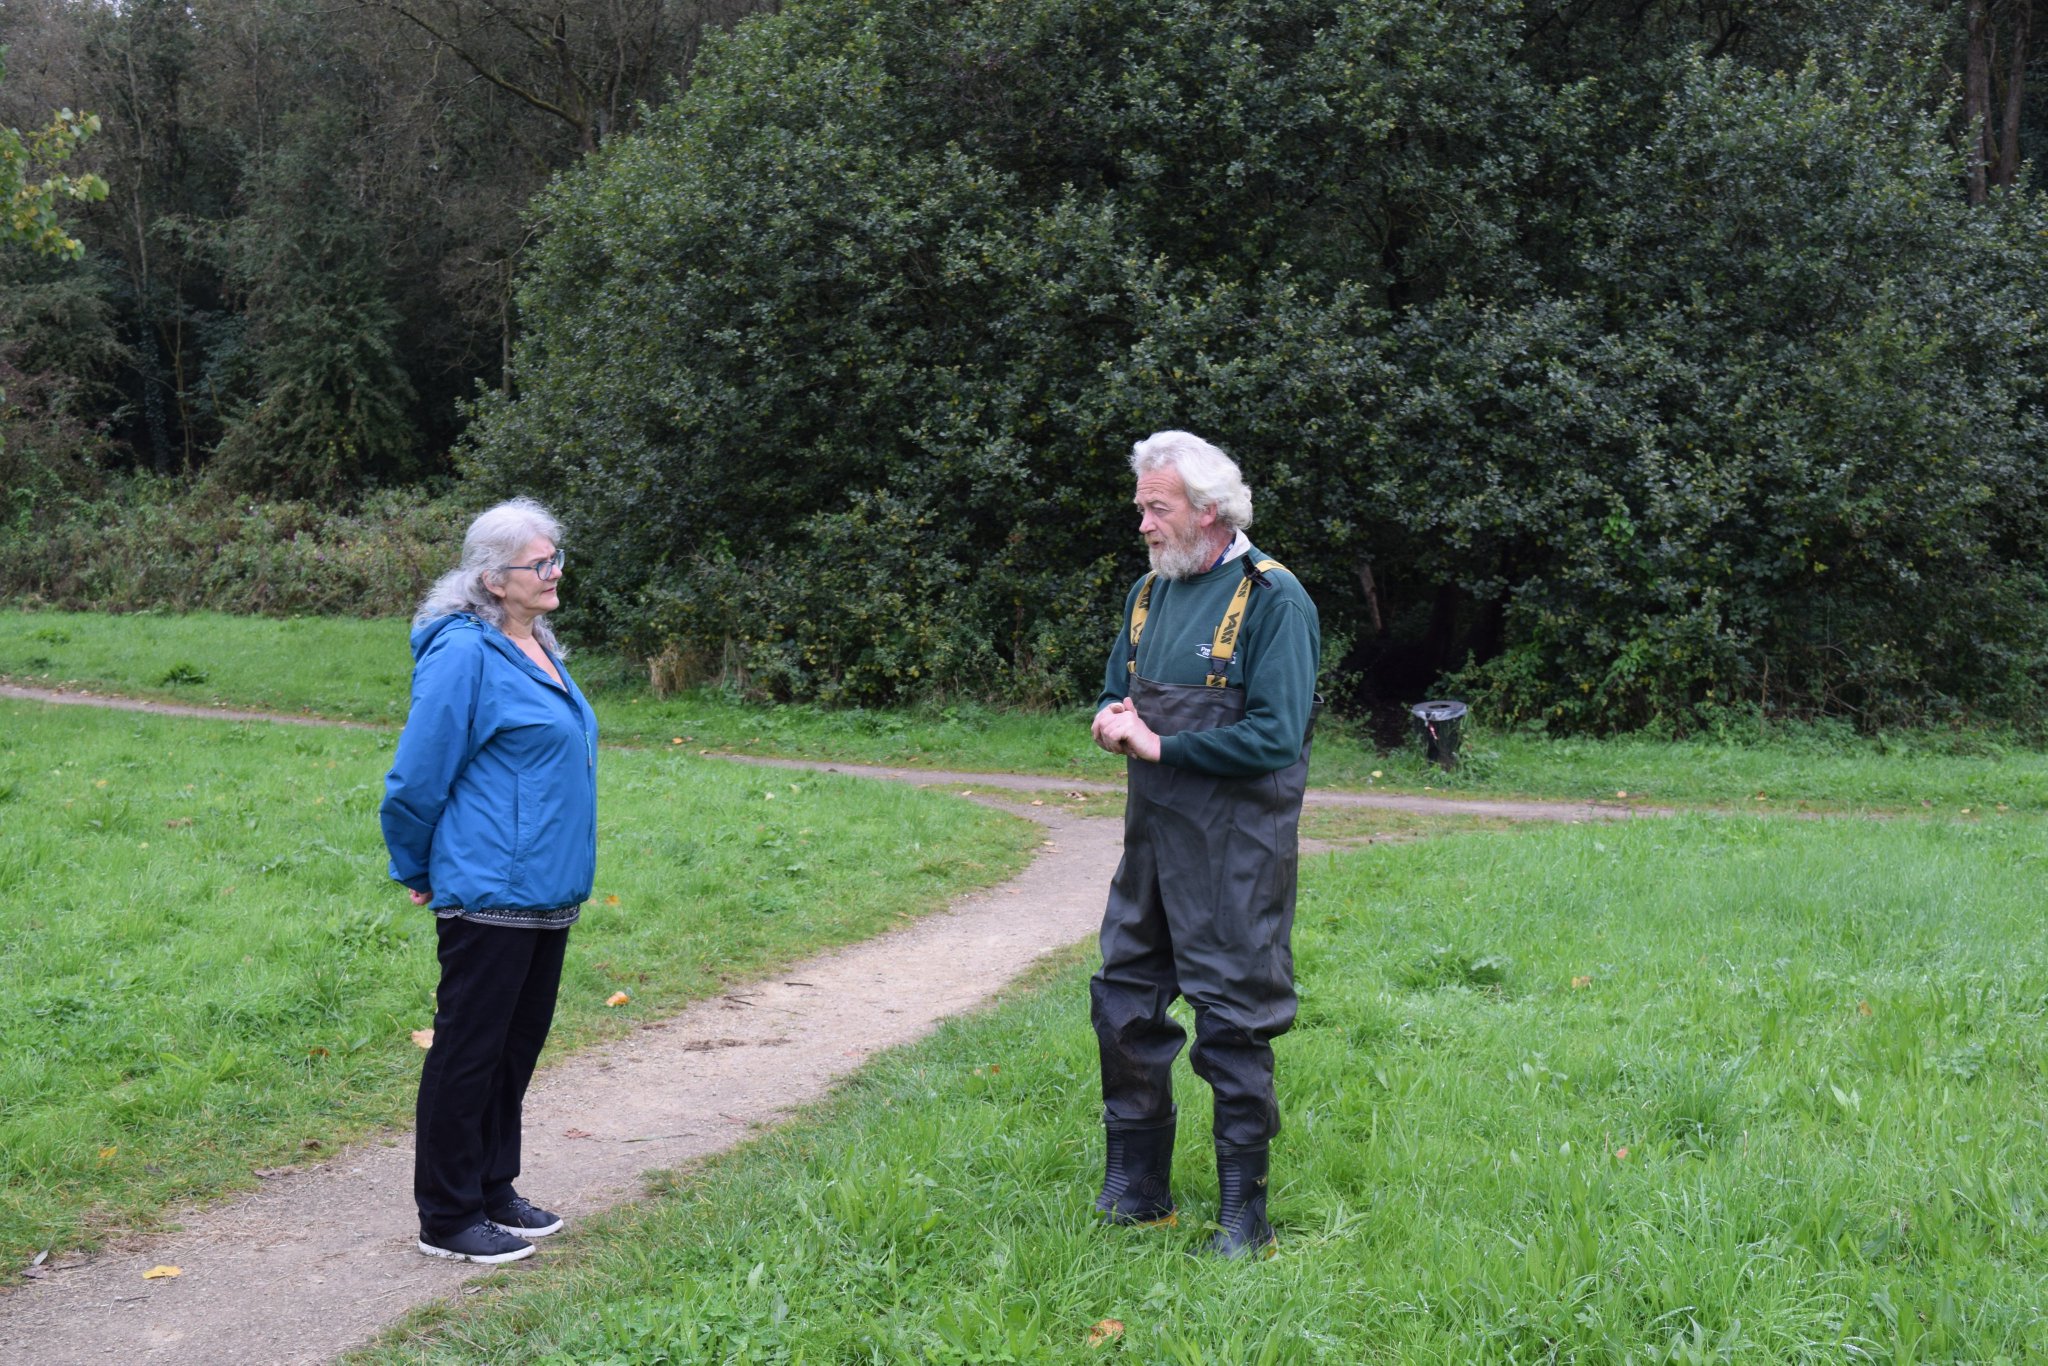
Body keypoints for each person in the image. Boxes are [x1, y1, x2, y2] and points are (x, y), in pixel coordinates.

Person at [1089, 430, 1320, 1259]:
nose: (1144, 526)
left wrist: (1164, 747)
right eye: (1142, 508)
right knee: (1122, 1002)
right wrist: (1114, 715)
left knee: (1231, 1024)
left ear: (1210, 512)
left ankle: (1242, 1215)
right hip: (1150, 844)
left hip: (1235, 852)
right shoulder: (1150, 593)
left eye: (1159, 508)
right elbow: (1122, 684)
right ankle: (1138, 1188)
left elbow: (1276, 735)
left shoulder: (1274, 600)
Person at [380, 497, 599, 1265]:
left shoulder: (537, 643)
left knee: (514, 1049)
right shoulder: (464, 653)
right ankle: (445, 1216)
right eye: (538, 564)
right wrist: (415, 864)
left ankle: (491, 1187)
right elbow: (416, 777)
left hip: (547, 888)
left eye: (554, 558)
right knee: (468, 1052)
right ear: (492, 579)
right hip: (489, 887)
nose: (554, 572)